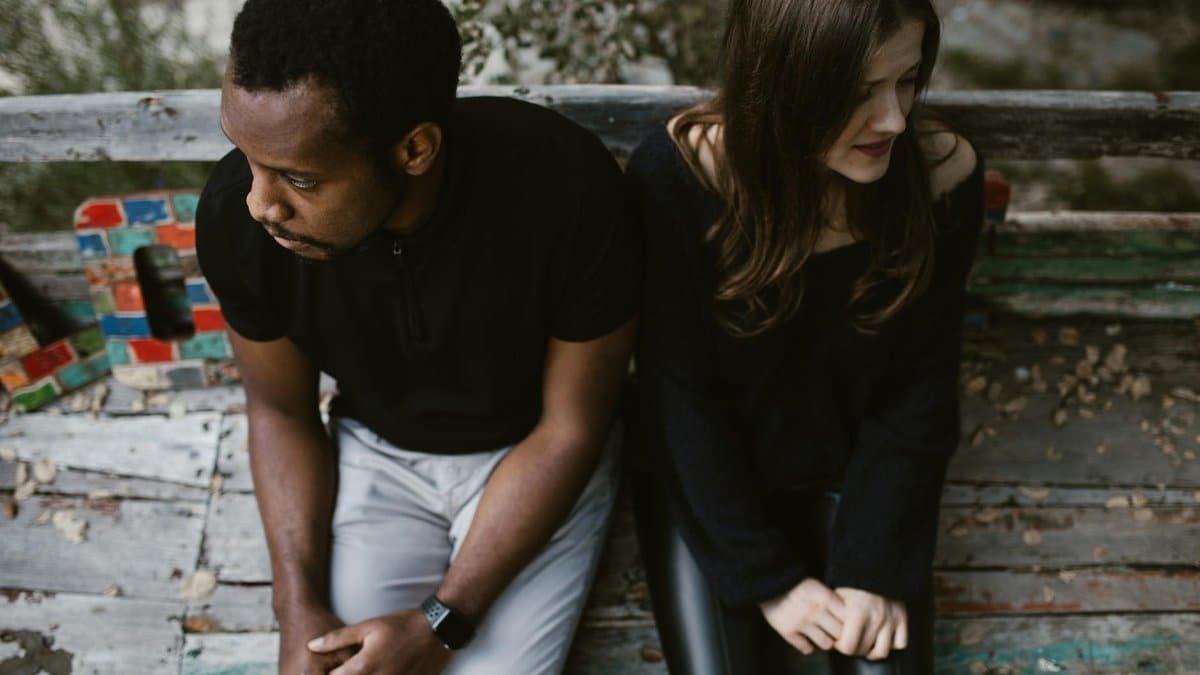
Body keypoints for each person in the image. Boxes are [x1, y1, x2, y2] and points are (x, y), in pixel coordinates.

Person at [194, 1, 640, 673]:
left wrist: (441, 617)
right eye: (247, 157)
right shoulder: (238, 218)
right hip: (377, 451)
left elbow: (573, 425)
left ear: (414, 149)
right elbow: (280, 409)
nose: (260, 203)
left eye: (298, 177)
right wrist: (297, 608)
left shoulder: (567, 189)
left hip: (533, 451)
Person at [626, 0, 982, 672]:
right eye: (860, 93)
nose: (895, 120)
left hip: (863, 482)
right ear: (785, 83)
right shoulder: (681, 176)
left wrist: (876, 564)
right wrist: (768, 579)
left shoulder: (940, 176)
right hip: (717, 495)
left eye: (907, 80)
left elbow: (920, 385)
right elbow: (679, 397)